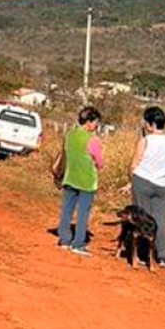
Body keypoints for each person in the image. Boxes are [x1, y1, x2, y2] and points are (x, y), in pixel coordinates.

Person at [120, 106, 165, 268]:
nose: (145, 125)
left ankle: (143, 254)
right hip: (162, 184)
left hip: (142, 181)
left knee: (141, 219)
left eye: (146, 122)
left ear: (151, 124)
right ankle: (162, 256)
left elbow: (134, 164)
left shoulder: (145, 141)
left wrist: (130, 181)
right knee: (159, 219)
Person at [57, 106, 104, 256]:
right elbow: (100, 162)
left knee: (67, 210)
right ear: (89, 122)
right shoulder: (93, 139)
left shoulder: (69, 134)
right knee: (83, 212)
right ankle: (78, 243)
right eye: (96, 122)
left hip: (70, 177)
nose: (96, 125)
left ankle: (64, 239)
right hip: (86, 181)